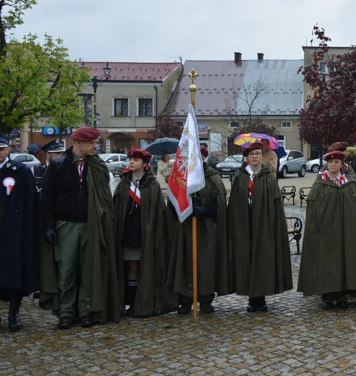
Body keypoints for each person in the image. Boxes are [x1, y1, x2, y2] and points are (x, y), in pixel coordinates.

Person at [40, 127, 122, 329]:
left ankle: (86, 310)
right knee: (66, 269)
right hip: (66, 225)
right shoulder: (58, 165)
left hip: (91, 224)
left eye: (96, 143)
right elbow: (47, 198)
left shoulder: (97, 166)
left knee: (89, 269)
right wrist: (47, 226)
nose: (96, 146)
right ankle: (66, 312)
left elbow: (104, 198)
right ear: (78, 143)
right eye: (92, 143)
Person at [228, 141, 293, 312]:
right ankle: (251, 297)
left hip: (263, 224)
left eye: (258, 154)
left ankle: (261, 297)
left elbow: (275, 205)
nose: (255, 157)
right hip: (244, 224)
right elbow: (234, 204)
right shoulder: (240, 178)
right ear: (247, 158)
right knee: (247, 259)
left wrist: (273, 225)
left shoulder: (268, 178)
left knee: (262, 259)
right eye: (252, 154)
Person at [298, 150, 356, 310]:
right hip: (326, 232)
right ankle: (328, 296)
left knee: (344, 261)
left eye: (337, 163)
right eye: (331, 162)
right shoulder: (320, 183)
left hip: (345, 231)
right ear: (326, 165)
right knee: (327, 263)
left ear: (342, 165)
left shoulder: (349, 184)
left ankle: (342, 295)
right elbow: (314, 209)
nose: (333, 165)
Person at [167, 146, 232, 315]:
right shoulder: (181, 177)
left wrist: (204, 210)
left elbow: (219, 202)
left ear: (204, 158)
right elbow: (173, 200)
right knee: (185, 261)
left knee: (206, 263)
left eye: (200, 156)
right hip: (185, 227)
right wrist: (187, 206)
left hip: (206, 229)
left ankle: (205, 298)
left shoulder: (212, 177)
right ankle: (186, 299)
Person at [113, 149, 174, 317]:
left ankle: (147, 301)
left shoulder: (152, 184)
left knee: (146, 267)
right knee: (132, 267)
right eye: (130, 159)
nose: (131, 162)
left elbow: (158, 211)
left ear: (145, 164)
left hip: (146, 233)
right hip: (128, 232)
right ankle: (132, 303)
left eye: (136, 160)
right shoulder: (124, 183)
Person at [0, 134, 39, 331]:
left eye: (1, 149)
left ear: (8, 150)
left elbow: (30, 202)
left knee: (13, 273)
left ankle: (14, 313)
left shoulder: (20, 171)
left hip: (13, 231)